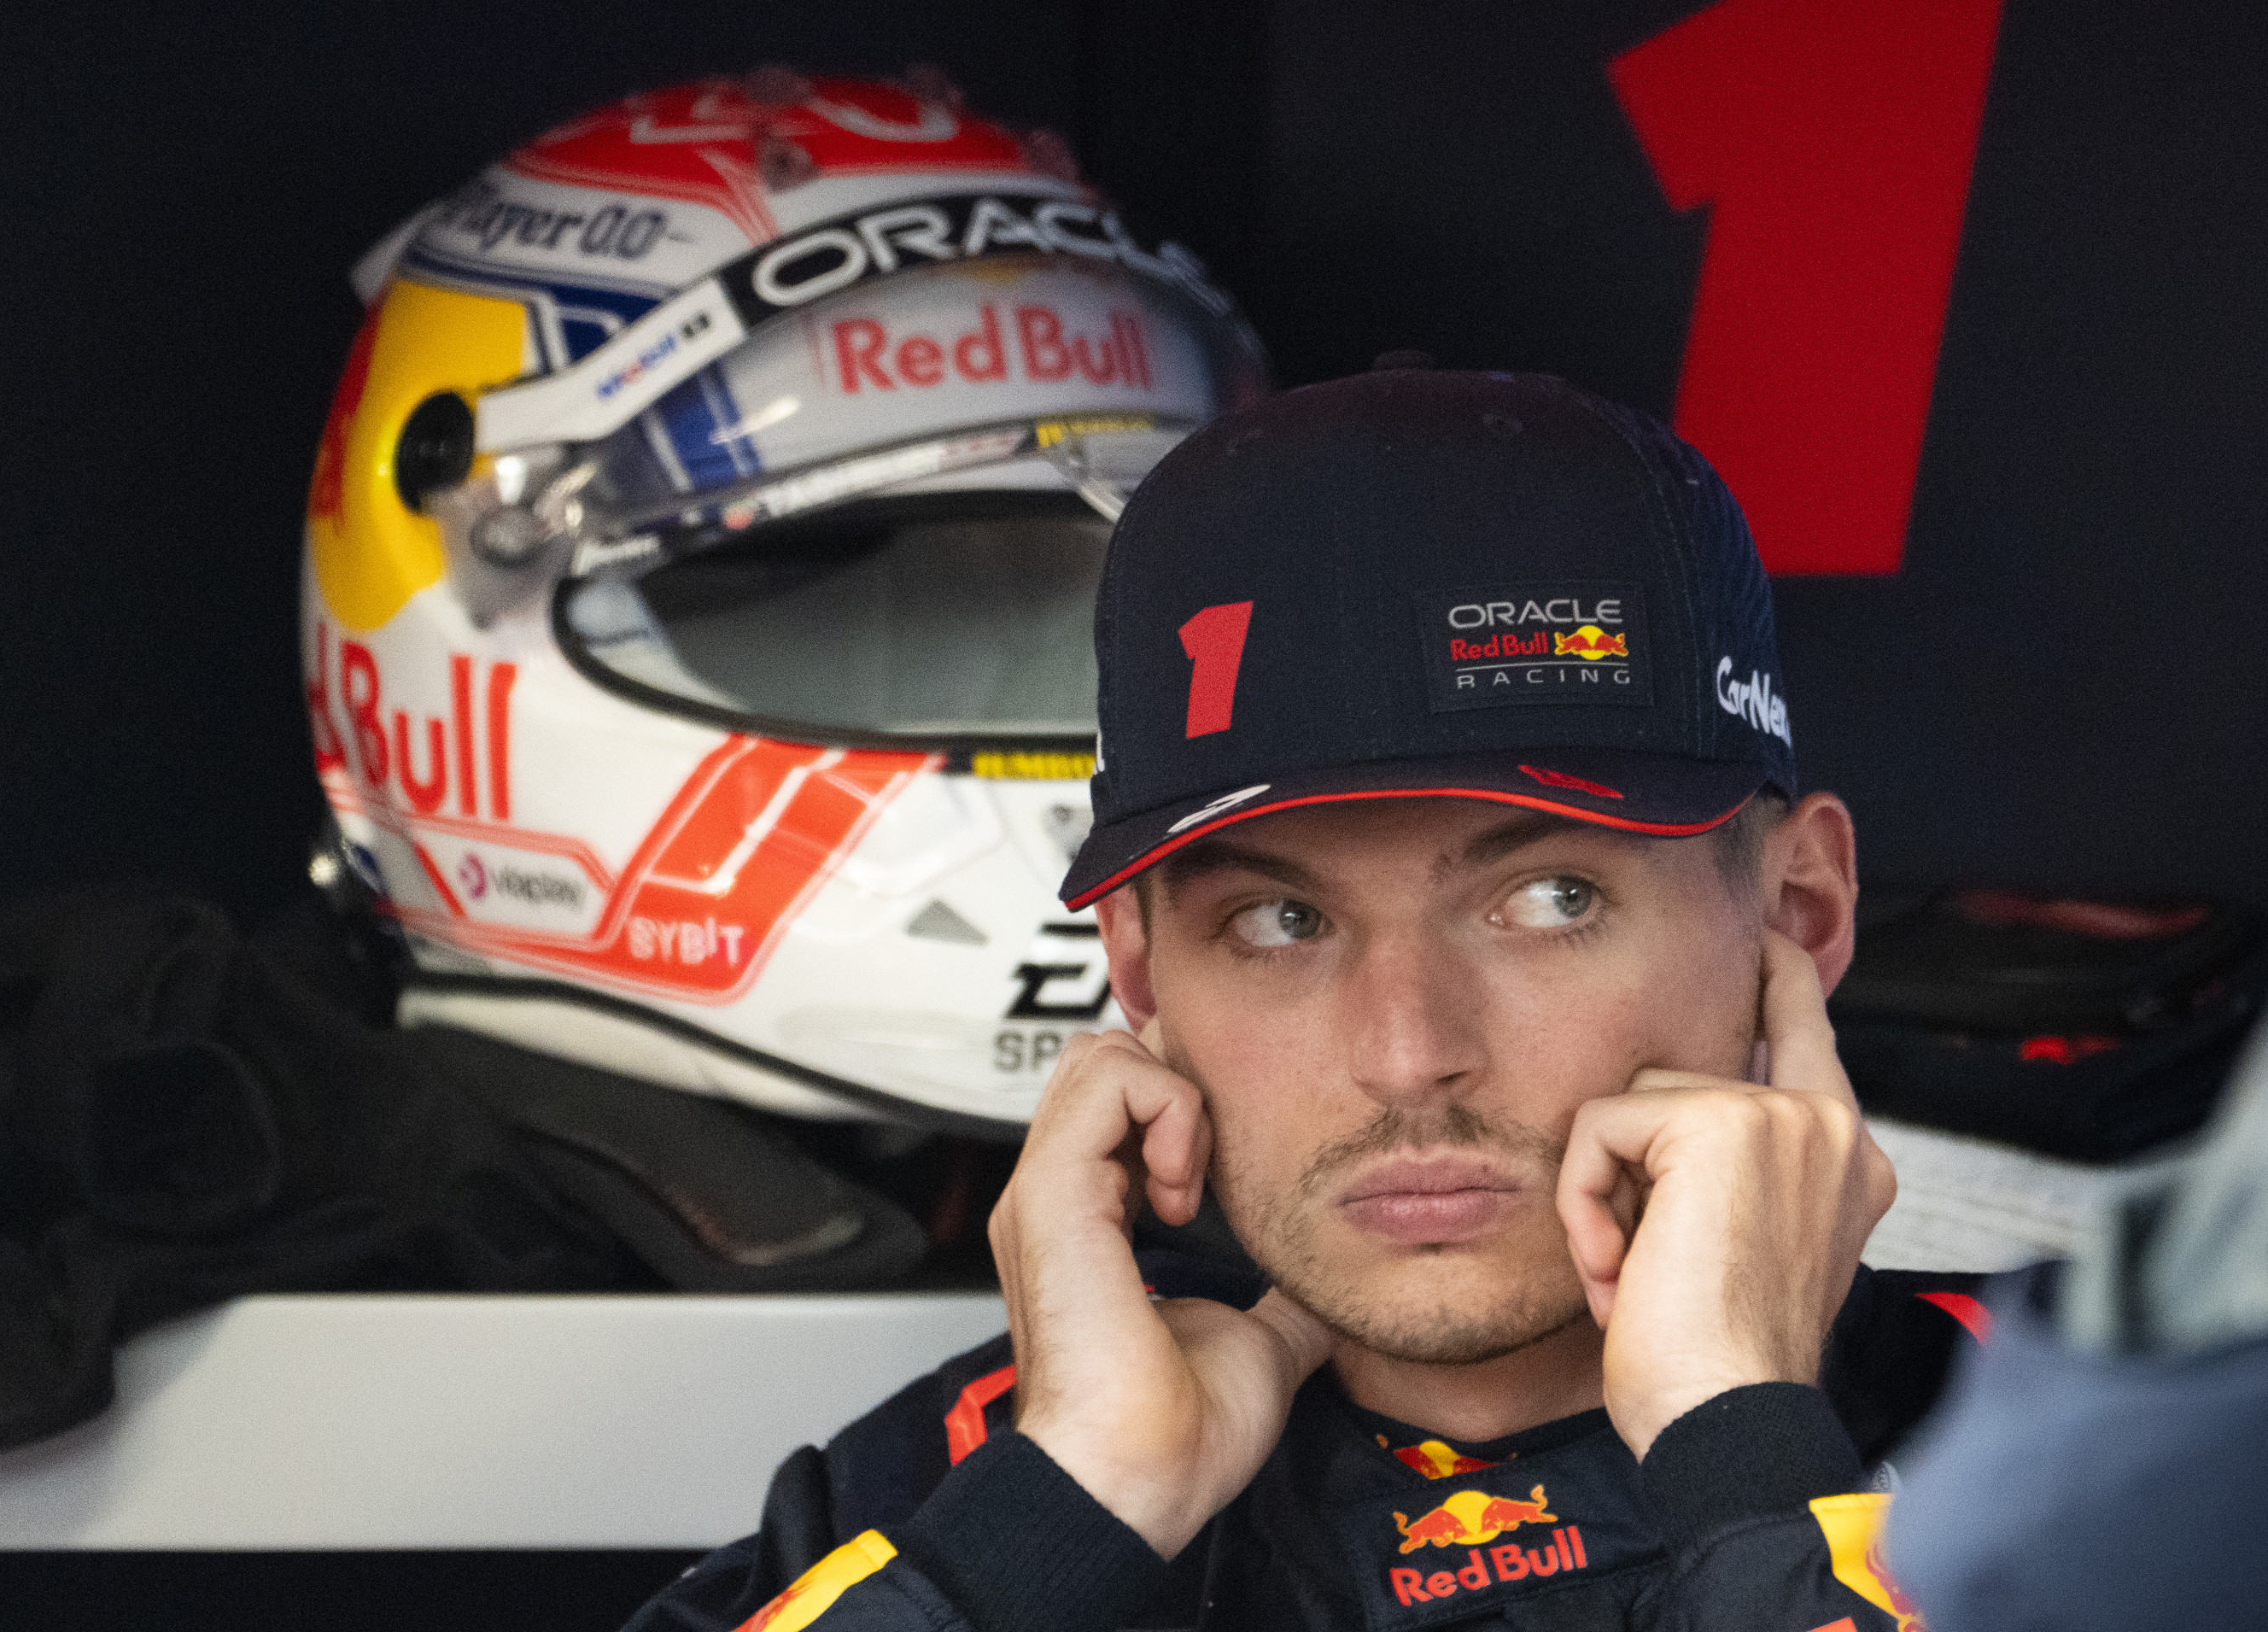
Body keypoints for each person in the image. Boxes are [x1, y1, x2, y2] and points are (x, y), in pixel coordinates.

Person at [623, 364, 1984, 1632]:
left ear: (1798, 913)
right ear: (1140, 967)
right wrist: (1062, 1521)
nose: (1406, 1056)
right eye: (1280, 922)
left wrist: (1742, 1451)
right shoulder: (964, 1492)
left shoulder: (2112, 1436)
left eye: (1550, 901)